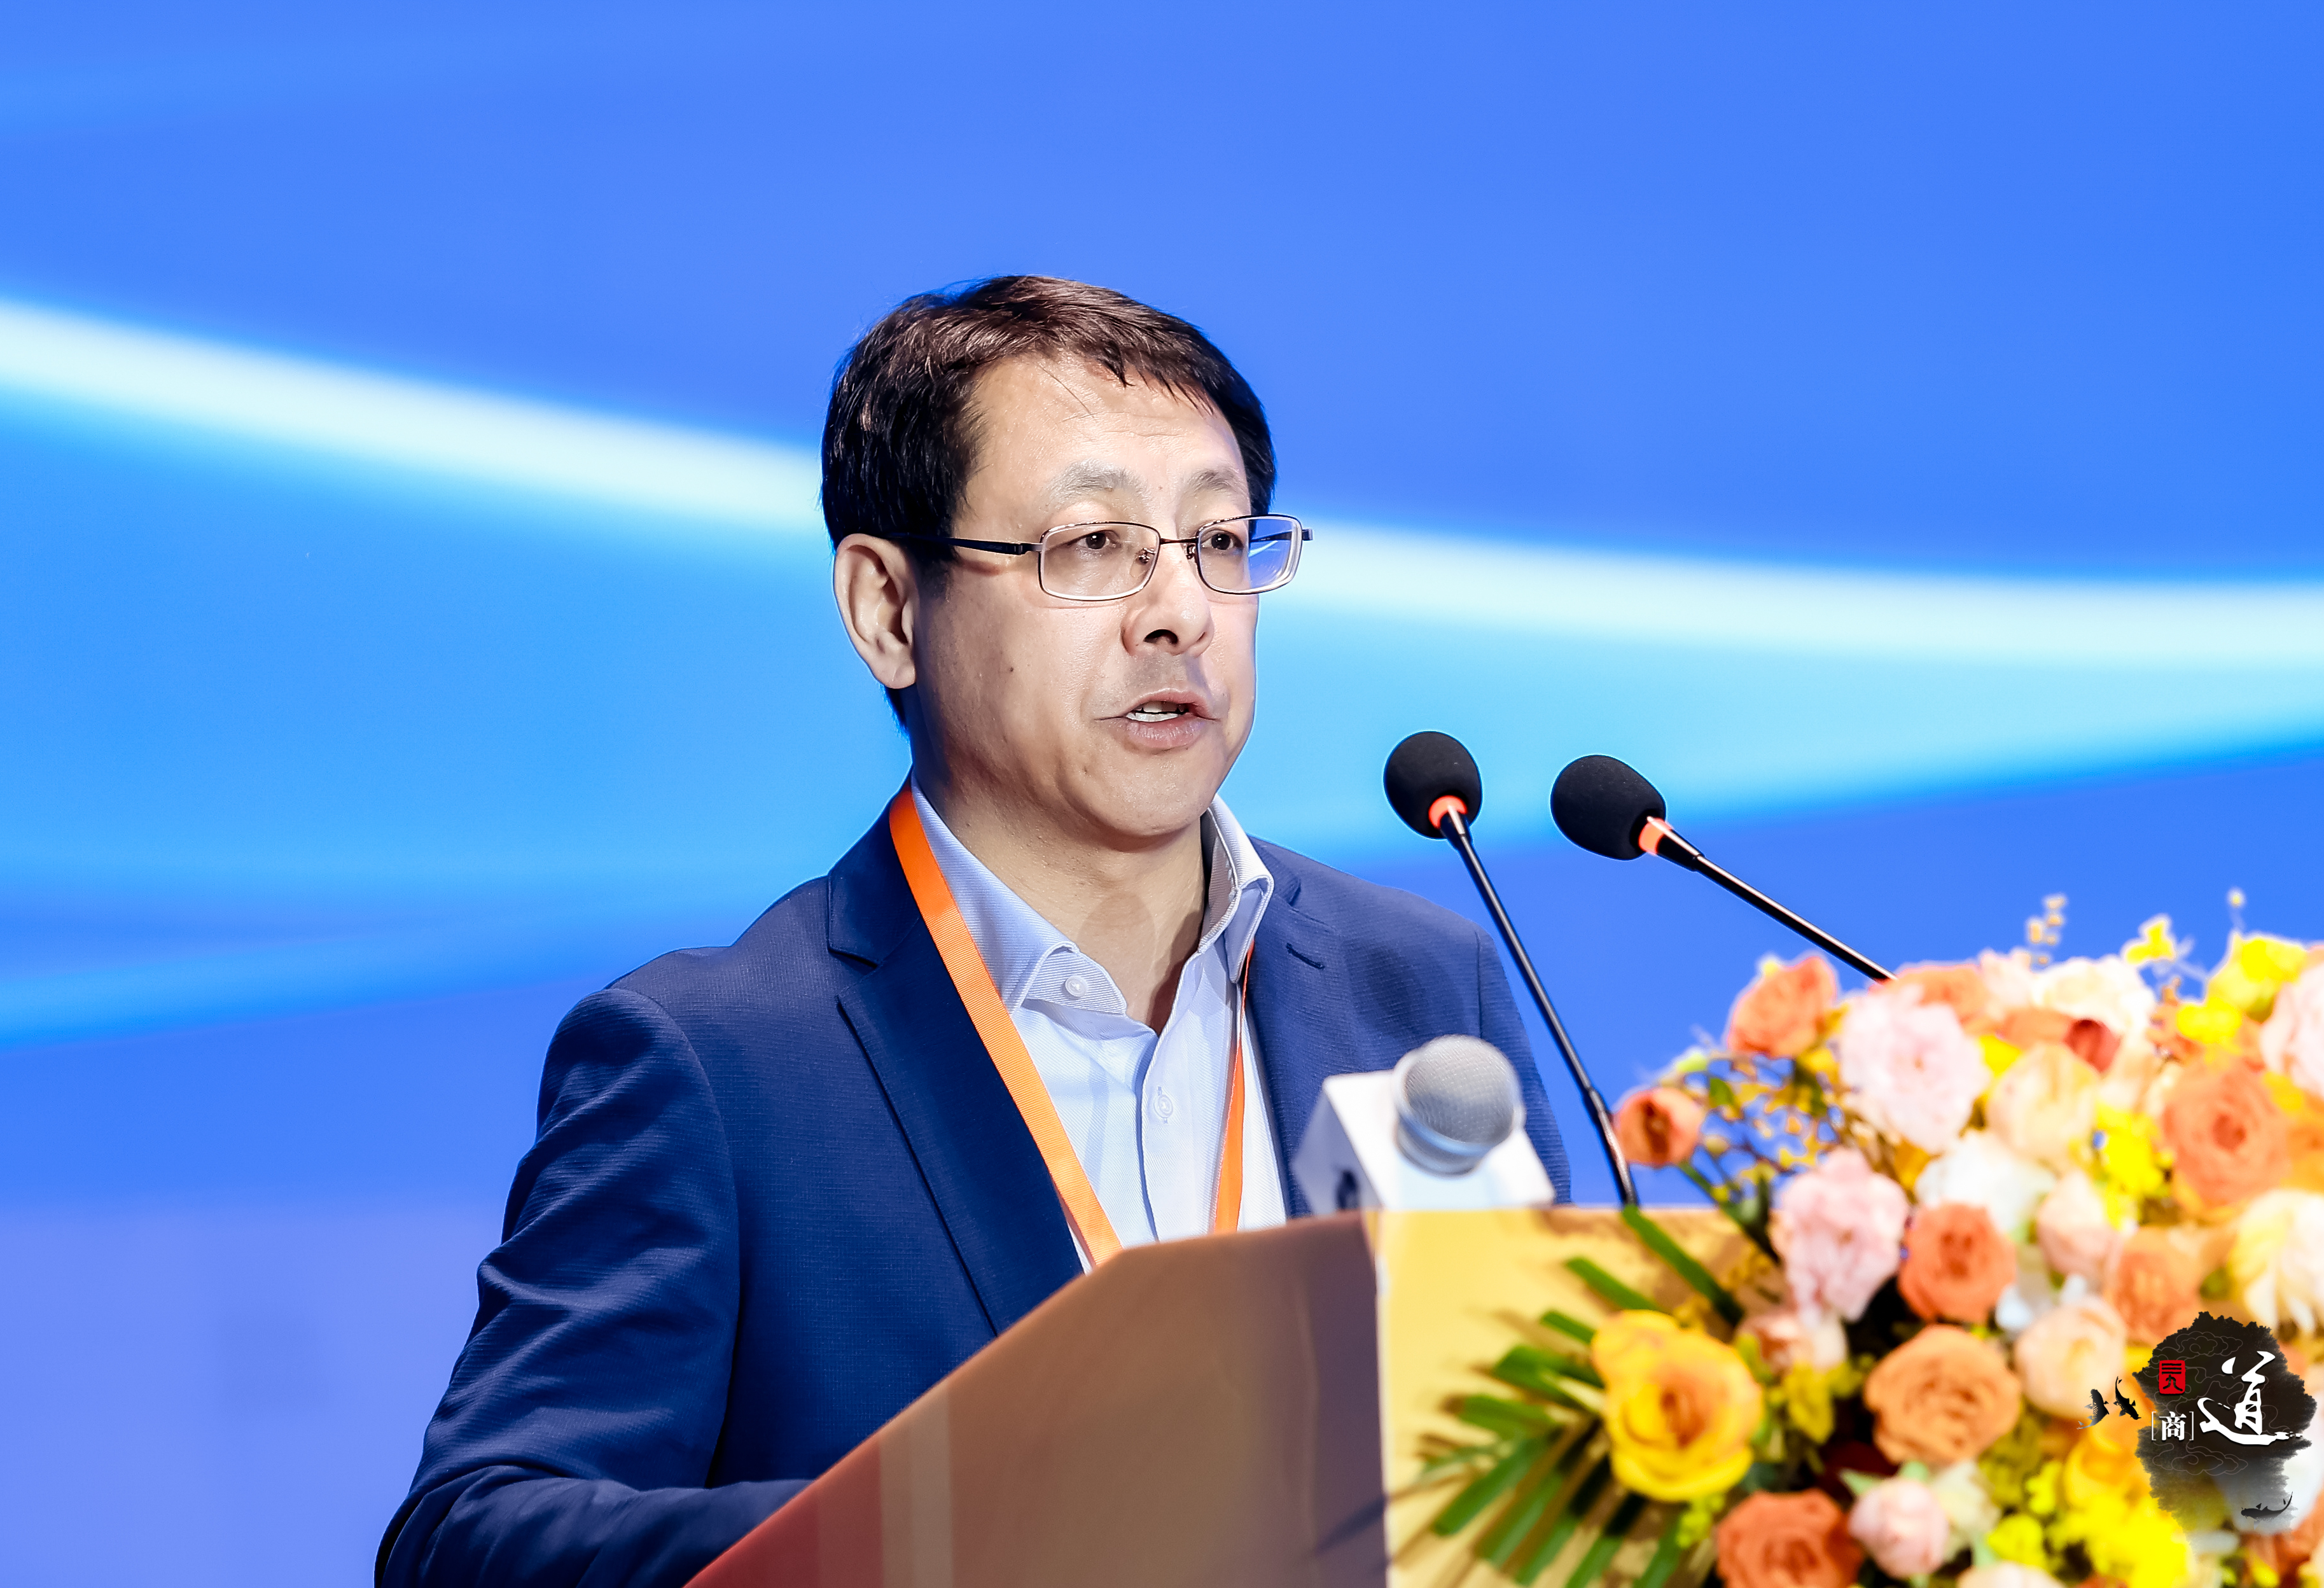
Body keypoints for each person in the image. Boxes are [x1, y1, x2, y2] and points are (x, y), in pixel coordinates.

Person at [378, 275, 1570, 1587]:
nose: (1180, 610)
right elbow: (474, 1541)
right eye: (1093, 544)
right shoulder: (717, 1063)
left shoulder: (1417, 982)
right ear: (889, 611)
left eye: (1220, 542)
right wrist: (953, 1525)